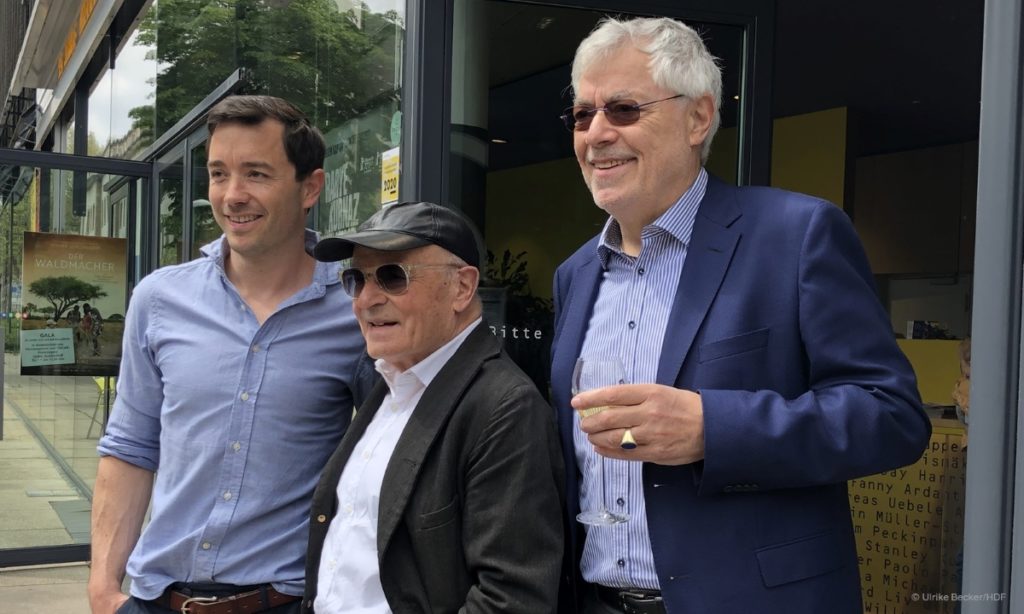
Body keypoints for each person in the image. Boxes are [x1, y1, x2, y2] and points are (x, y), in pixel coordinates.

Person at [549, 17, 932, 614]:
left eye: (623, 109)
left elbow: (892, 417)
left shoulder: (797, 235)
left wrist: (713, 428)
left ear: (698, 118)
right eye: (582, 114)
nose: (596, 133)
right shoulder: (576, 275)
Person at [89, 95, 374, 614]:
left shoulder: (356, 310)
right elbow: (131, 446)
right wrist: (105, 588)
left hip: (285, 601)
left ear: (310, 187)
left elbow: (392, 453)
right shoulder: (158, 299)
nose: (232, 195)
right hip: (156, 599)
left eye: (257, 174)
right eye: (219, 174)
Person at [304, 201, 565, 613]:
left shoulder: (503, 408)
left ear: (462, 288)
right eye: (356, 279)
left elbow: (512, 599)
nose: (366, 299)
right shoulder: (388, 382)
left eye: (392, 277)